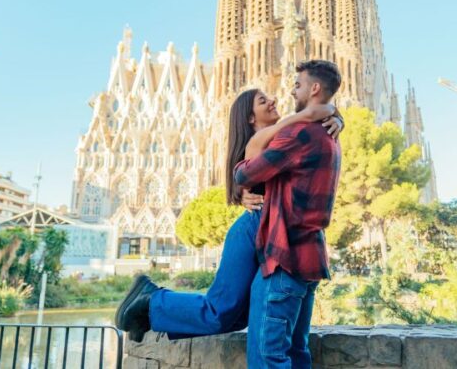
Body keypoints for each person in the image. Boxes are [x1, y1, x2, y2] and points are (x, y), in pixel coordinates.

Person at [114, 87, 343, 342]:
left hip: (265, 229)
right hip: (252, 229)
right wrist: (320, 113)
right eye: (262, 100)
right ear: (250, 118)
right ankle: (151, 299)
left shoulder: (278, 137)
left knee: (236, 316)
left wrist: (334, 117)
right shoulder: (260, 141)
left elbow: (313, 115)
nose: (273, 101)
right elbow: (305, 118)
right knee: (220, 310)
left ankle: (149, 314)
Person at [234, 60, 343, 368]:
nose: (291, 90)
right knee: (297, 354)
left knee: (271, 357)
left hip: (286, 259)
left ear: (314, 89)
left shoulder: (299, 134)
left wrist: (290, 122)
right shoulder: (330, 134)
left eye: (297, 85)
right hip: (311, 259)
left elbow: (245, 175)